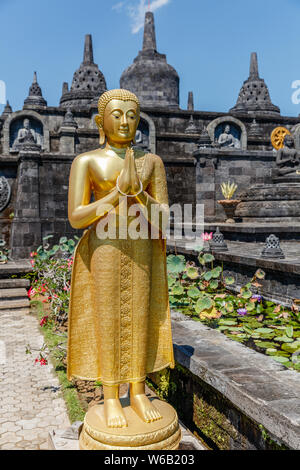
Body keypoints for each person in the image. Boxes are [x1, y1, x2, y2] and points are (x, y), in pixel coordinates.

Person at [67, 89, 174, 429]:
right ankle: (111, 395)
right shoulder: (87, 162)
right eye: (117, 115)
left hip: (141, 245)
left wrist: (140, 192)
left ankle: (139, 391)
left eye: (131, 115)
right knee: (108, 318)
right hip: (106, 248)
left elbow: (165, 218)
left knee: (140, 315)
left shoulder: (151, 162)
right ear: (101, 121)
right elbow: (76, 216)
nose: (125, 122)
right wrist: (117, 193)